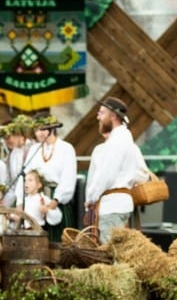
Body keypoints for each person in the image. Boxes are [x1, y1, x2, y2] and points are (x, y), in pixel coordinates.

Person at [84, 97, 151, 244]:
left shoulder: (117, 141)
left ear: (113, 116)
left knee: (110, 254)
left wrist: (91, 198)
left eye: (102, 113)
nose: (97, 116)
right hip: (116, 205)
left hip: (112, 207)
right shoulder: (123, 138)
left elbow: (106, 175)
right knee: (114, 253)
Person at [24, 113, 77, 242]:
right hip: (38, 199)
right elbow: (26, 174)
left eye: (43, 129)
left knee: (59, 242)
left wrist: (53, 203)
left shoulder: (66, 148)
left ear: (52, 128)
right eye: (36, 129)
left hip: (57, 199)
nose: (39, 133)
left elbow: (68, 179)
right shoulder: (34, 149)